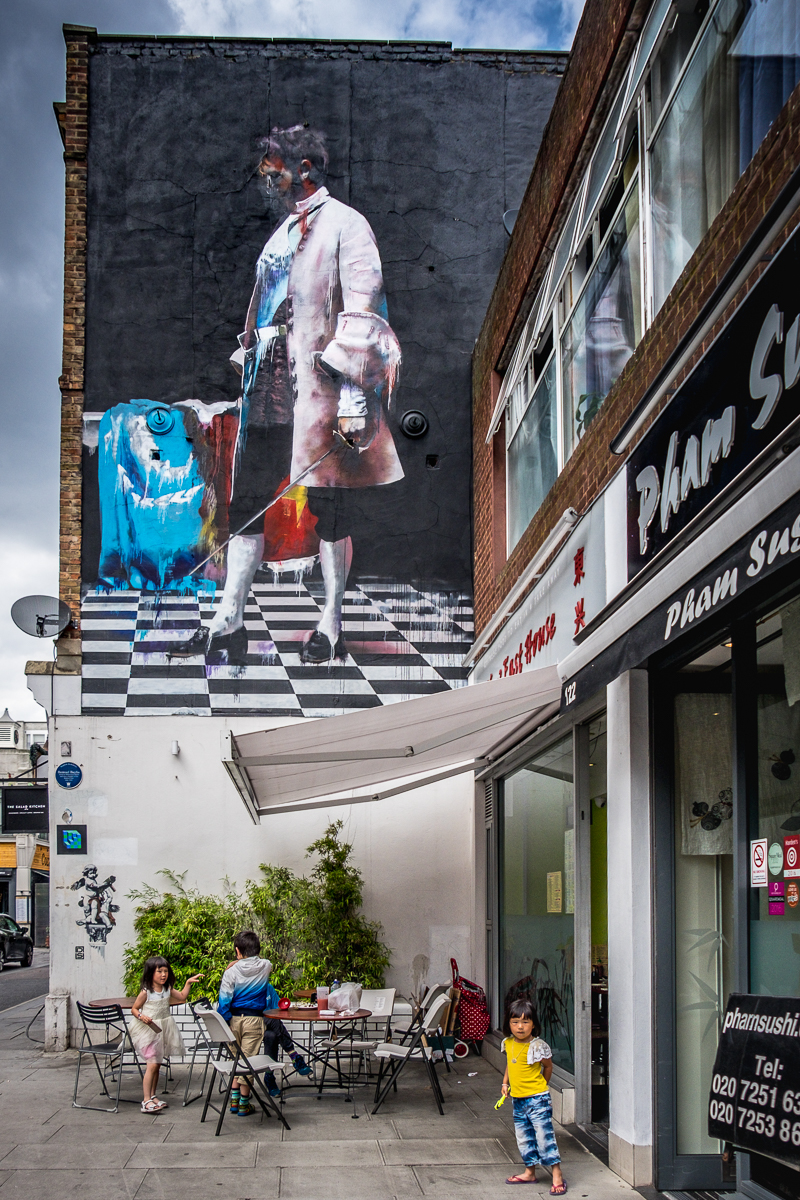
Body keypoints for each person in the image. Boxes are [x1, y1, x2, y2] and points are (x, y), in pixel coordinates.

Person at [175, 124, 403, 666]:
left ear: (303, 168)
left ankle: (330, 625)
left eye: (272, 164)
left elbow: (363, 310)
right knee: (247, 505)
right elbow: (261, 308)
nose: (264, 175)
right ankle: (227, 623)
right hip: (269, 388)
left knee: (331, 508)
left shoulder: (348, 225)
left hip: (322, 388)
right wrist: (247, 369)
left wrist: (353, 399)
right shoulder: (279, 237)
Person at [217, 929, 311, 1115]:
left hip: (233, 1020)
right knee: (248, 1062)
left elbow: (224, 1001)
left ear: (237, 950)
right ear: (258, 949)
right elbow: (256, 961)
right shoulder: (266, 965)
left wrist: (227, 1021)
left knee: (235, 1060)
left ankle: (234, 1102)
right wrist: (238, 959)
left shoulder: (230, 973)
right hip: (254, 1020)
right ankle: (244, 1104)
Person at [501, 997, 567, 1192]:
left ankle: (556, 1174)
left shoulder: (538, 1046)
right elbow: (510, 1064)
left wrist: (541, 1087)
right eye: (515, 1022)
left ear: (533, 1024)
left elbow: (548, 1067)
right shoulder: (509, 1043)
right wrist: (505, 1082)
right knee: (524, 1137)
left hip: (538, 1099)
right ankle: (529, 1171)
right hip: (518, 1100)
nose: (520, 1027)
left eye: (525, 1022)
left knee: (544, 1136)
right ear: (508, 1024)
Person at [129, 956, 203, 1114]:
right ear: (151, 973)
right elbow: (134, 1009)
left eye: (166, 971)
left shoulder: (167, 989)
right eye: (159, 971)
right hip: (147, 1030)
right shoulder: (146, 992)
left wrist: (188, 983)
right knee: (152, 1064)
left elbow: (182, 997)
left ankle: (153, 1096)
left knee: (158, 1063)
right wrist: (142, 1017)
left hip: (162, 1029)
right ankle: (145, 1100)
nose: (163, 974)